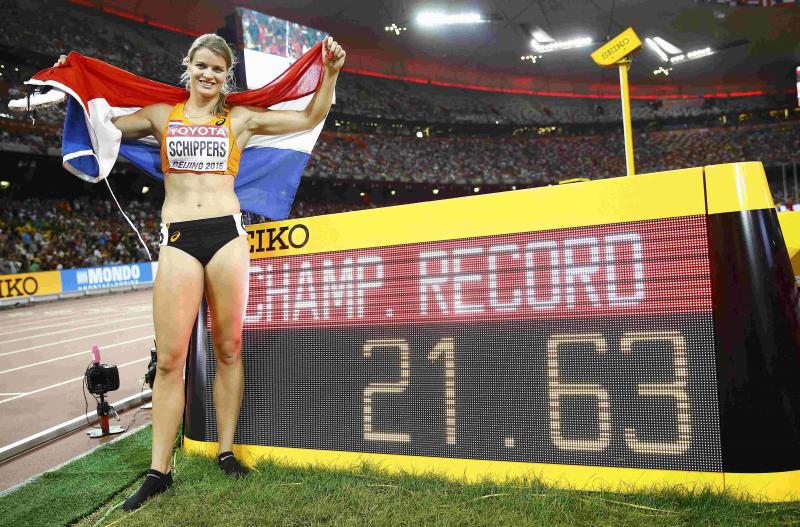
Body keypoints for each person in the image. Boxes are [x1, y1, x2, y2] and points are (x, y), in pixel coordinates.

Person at [53, 33, 346, 511]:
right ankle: (158, 471)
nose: (209, 75)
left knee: (229, 348)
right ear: (188, 66)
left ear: (226, 77)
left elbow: (311, 116)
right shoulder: (160, 115)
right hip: (180, 238)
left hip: (228, 235)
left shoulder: (241, 119)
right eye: (203, 65)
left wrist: (329, 74)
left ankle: (225, 449)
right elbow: (98, 125)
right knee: (170, 359)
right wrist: (72, 79)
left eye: (218, 69)